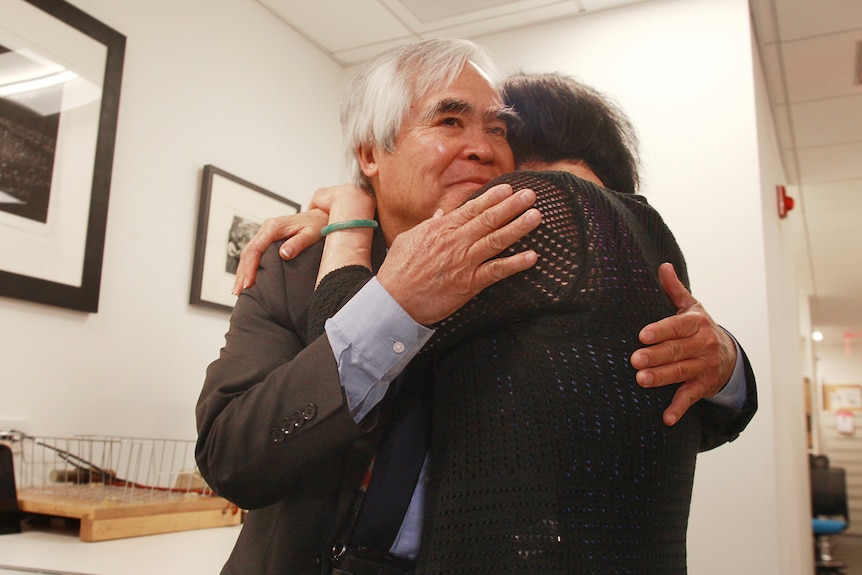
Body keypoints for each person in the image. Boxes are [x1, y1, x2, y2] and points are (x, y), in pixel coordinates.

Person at [196, 40, 754, 575]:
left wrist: (725, 363)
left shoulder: (533, 269)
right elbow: (230, 456)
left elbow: (636, 416)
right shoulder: (295, 267)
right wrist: (363, 249)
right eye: (448, 121)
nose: (484, 148)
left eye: (498, 128)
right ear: (370, 153)